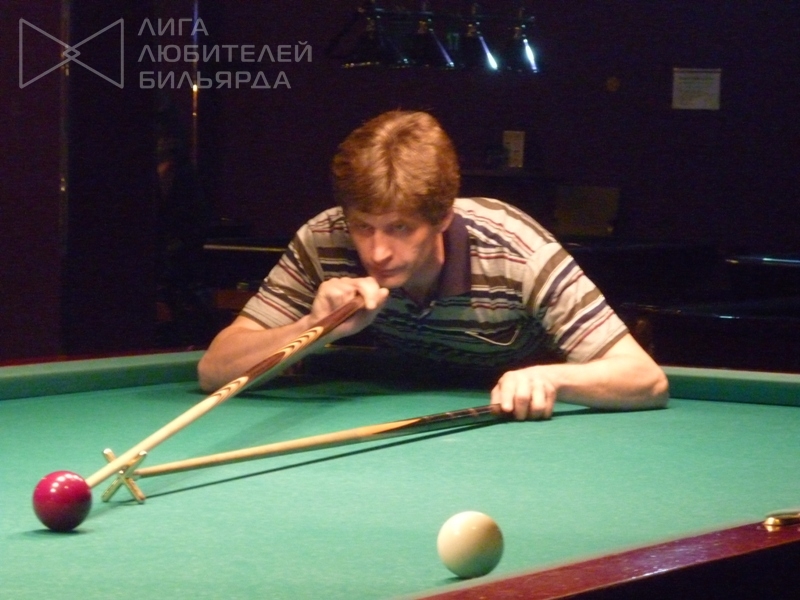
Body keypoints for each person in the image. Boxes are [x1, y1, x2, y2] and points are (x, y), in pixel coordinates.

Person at [198, 110, 669, 420]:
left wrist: (551, 376)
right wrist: (313, 329)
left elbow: (644, 379)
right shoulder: (323, 240)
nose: (378, 252)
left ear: (444, 217)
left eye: (400, 228)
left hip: (516, 428)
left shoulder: (516, 251)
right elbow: (215, 368)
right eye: (363, 226)